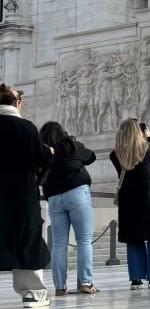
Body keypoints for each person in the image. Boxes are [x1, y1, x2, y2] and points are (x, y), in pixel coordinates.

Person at [1, 84, 53, 308]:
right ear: (17, 103)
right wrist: (48, 152)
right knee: (27, 238)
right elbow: (39, 158)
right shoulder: (26, 127)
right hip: (21, 193)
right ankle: (32, 292)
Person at [110, 118, 150, 287]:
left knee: (133, 239)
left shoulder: (115, 155)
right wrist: (149, 137)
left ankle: (136, 278)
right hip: (149, 199)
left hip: (128, 202)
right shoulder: (145, 150)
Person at [39, 120, 98, 294]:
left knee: (58, 244)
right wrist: (74, 141)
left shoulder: (43, 153)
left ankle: (60, 287)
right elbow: (91, 156)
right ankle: (86, 282)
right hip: (76, 192)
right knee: (84, 240)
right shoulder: (72, 146)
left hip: (54, 198)